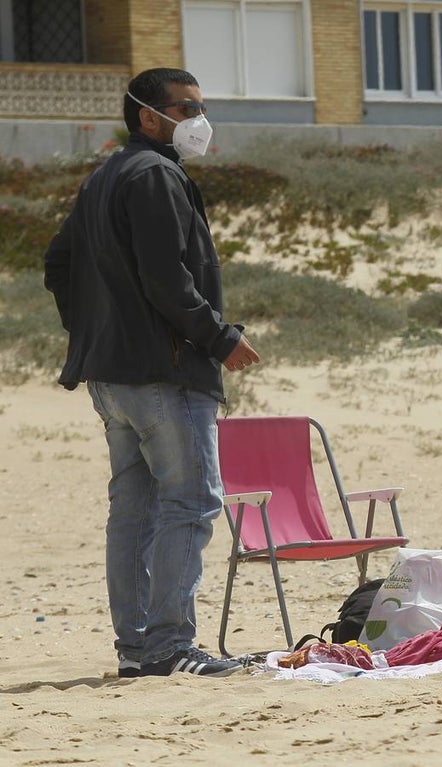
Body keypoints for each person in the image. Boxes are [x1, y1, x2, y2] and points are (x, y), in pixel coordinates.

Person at [43, 68, 260, 678]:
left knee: (134, 512)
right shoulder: (156, 175)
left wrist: (97, 333)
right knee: (190, 503)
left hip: (113, 378)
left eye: (201, 107)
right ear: (148, 116)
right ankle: (168, 645)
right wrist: (220, 338)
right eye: (187, 108)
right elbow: (168, 278)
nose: (199, 120)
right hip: (165, 374)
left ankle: (137, 648)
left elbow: (58, 264)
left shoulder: (104, 176)